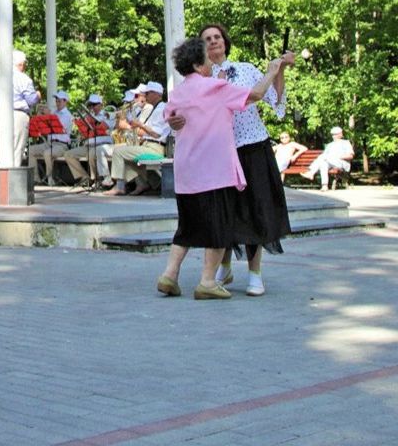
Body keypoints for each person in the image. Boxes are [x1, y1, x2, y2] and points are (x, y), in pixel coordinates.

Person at [157, 38, 283, 300]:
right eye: (206, 57)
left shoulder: (178, 92)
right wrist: (272, 70)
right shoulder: (216, 87)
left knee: (187, 226)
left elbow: (169, 119)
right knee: (218, 226)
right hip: (214, 171)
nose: (210, 60)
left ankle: (169, 274)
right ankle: (207, 282)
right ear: (197, 64)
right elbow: (256, 95)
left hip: (186, 172)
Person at [191, 23, 295, 296]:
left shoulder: (247, 69)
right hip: (219, 151)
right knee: (224, 211)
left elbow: (275, 101)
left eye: (217, 37)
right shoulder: (198, 77)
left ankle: (255, 273)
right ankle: (223, 266)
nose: (213, 42)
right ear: (201, 47)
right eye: (207, 39)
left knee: (255, 207)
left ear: (225, 42)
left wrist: (280, 69)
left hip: (252, 147)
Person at [104, 81, 170, 196]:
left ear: (156, 94)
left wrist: (139, 125)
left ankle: (120, 187)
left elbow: (156, 134)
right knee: (125, 152)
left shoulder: (161, 109)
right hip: (148, 145)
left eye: (148, 93)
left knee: (118, 152)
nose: (145, 96)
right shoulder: (156, 108)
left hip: (155, 147)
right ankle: (142, 183)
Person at [0, 49, 41, 167]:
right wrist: (38, 95)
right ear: (21, 64)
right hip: (18, 116)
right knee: (17, 149)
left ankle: (2, 178)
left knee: (3, 148)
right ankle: (13, 179)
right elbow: (31, 100)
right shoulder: (24, 79)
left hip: (0, 115)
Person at [64, 94, 115, 189]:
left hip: (103, 144)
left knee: (92, 153)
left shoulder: (107, 115)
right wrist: (80, 123)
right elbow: (85, 133)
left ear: (100, 105)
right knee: (68, 154)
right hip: (89, 145)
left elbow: (108, 127)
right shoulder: (87, 117)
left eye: (94, 105)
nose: (92, 107)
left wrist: (94, 120)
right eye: (90, 105)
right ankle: (85, 177)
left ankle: (96, 179)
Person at [27, 90, 72, 185]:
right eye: (56, 101)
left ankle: (50, 178)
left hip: (61, 145)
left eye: (59, 101)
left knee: (47, 153)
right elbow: (41, 127)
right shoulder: (54, 113)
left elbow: (60, 127)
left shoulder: (67, 115)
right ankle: (35, 178)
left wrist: (48, 115)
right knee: (31, 150)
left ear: (65, 102)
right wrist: (40, 114)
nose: (57, 103)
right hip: (50, 143)